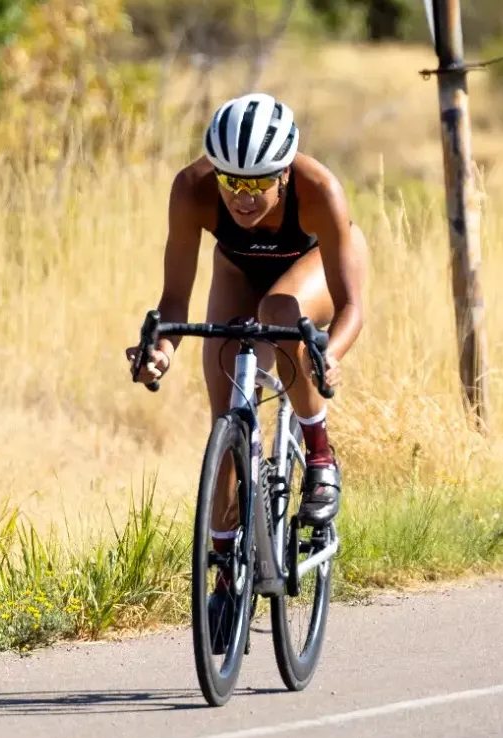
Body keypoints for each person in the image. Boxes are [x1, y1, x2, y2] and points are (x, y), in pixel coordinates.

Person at [126, 92, 369, 643]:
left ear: (283, 174)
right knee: (226, 417)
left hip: (313, 270)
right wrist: (161, 351)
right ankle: (223, 580)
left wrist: (327, 357)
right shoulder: (191, 189)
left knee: (279, 313)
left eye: (257, 184)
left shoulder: (319, 190)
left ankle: (319, 452)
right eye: (231, 182)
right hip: (238, 269)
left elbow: (352, 306)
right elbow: (174, 303)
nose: (242, 197)